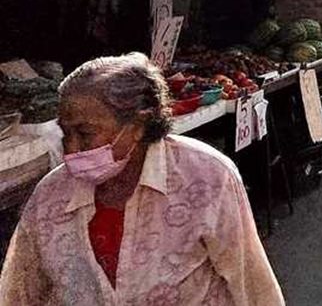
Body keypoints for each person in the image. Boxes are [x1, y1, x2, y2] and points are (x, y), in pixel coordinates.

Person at [0, 53, 283, 304]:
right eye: (65, 133)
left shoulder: (208, 178)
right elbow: (18, 290)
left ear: (137, 125)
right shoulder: (50, 196)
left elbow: (253, 286)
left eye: (85, 133)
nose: (70, 149)